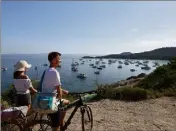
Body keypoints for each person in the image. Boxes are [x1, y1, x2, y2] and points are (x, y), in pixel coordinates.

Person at [41, 52, 70, 131]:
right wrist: (60, 96)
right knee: (55, 128)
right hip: (51, 102)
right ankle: (59, 123)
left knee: (66, 102)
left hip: (44, 99)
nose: (60, 61)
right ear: (53, 60)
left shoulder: (46, 70)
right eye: (58, 59)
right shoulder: (54, 72)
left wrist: (63, 90)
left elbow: (51, 85)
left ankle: (61, 122)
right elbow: (59, 92)